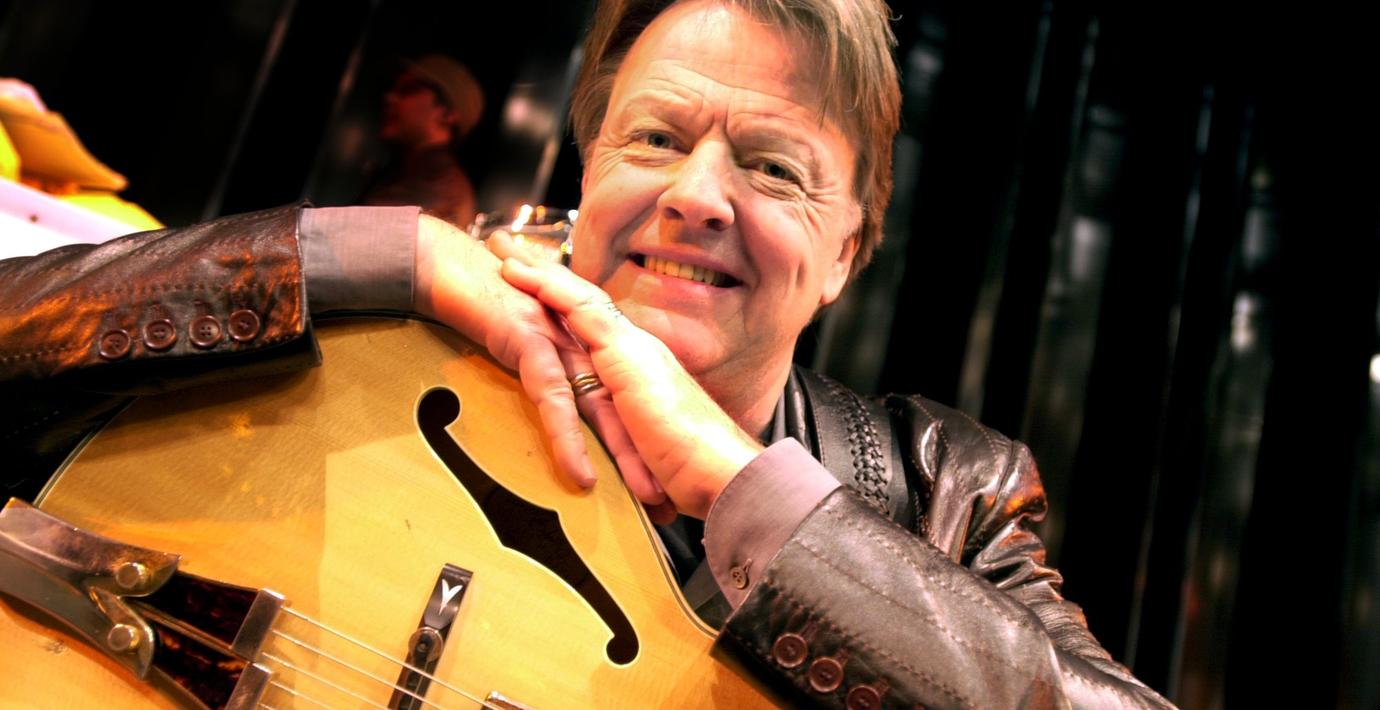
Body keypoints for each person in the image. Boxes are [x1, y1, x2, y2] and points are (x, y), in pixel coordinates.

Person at [0, 0, 1174, 707]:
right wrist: (378, 255)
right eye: (654, 137)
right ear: (591, 169)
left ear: (847, 253)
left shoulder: (947, 493)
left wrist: (745, 489)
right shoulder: (401, 345)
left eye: (772, 166)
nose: (696, 195)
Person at [358, 53, 483, 227]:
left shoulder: (439, 182)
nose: (390, 98)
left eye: (408, 90)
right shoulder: (412, 170)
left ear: (448, 114)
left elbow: (354, 231)